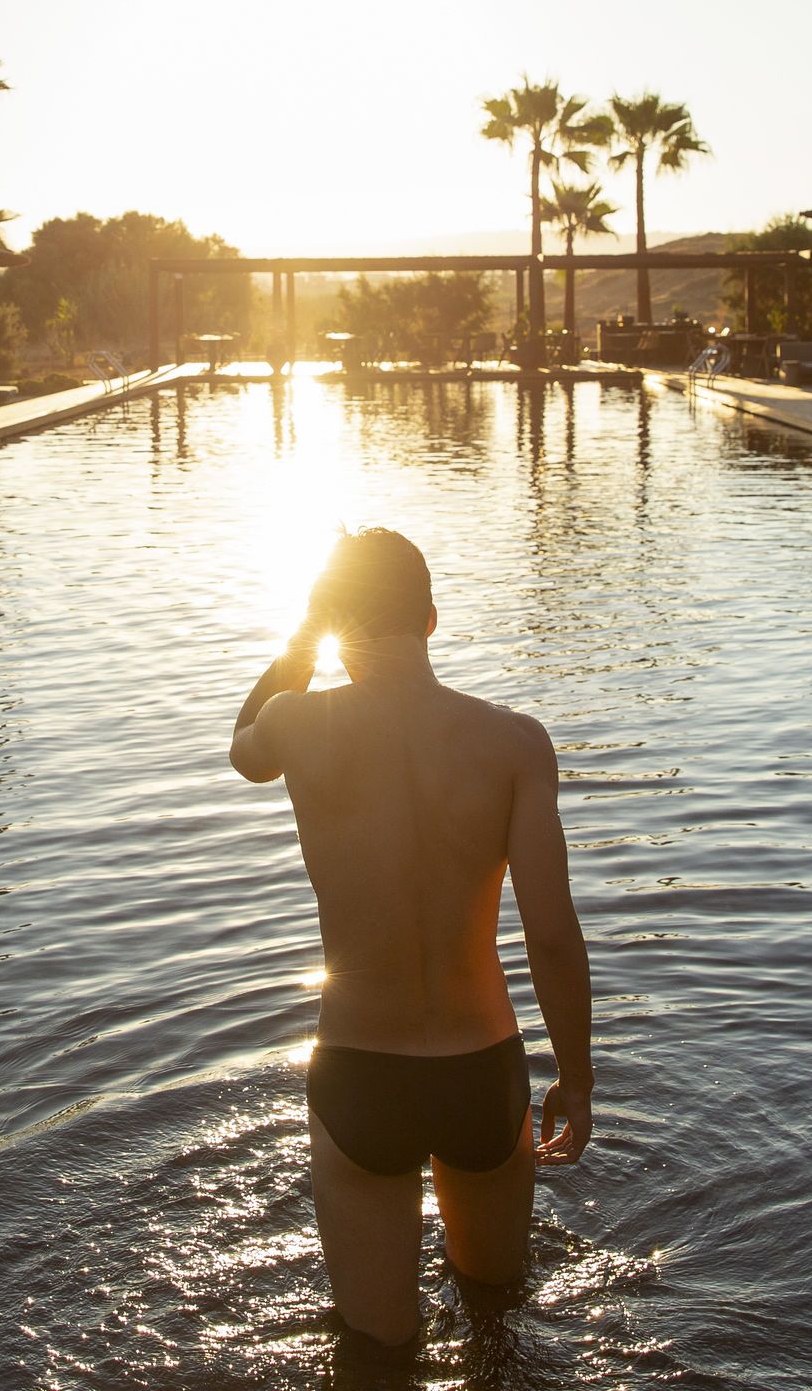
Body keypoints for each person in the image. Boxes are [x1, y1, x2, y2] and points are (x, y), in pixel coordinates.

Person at [230, 528, 593, 1352]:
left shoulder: (295, 723)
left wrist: (303, 643)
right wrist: (577, 1078)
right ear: (431, 620)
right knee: (497, 1316)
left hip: (362, 1070)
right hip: (483, 1069)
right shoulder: (514, 743)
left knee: (375, 1349)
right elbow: (552, 934)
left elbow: (241, 749)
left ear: (337, 621)